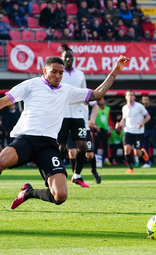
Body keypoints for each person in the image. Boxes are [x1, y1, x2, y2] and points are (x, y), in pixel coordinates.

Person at [0, 55, 129, 222]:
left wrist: (116, 69)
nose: (58, 76)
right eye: (54, 72)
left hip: (48, 145)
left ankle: (29, 192)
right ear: (45, 71)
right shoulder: (31, 85)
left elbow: (98, 94)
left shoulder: (67, 90)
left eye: (61, 73)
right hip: (27, 139)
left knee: (60, 196)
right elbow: (1, 102)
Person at [57, 43, 98, 188]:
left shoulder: (80, 74)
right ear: (62, 58)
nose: (68, 59)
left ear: (74, 59)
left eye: (70, 57)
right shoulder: (58, 73)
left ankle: (77, 175)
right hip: (62, 115)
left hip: (78, 116)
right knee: (61, 147)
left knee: (82, 146)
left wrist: (87, 100)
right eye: (66, 57)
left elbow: (84, 91)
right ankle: (58, 173)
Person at [116, 90, 150, 174]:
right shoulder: (124, 108)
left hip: (138, 132)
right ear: (125, 97)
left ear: (134, 97)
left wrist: (142, 123)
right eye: (128, 95)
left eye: (131, 95)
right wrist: (119, 124)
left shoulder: (140, 106)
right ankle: (130, 168)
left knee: (137, 153)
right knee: (127, 149)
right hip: (128, 131)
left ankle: (142, 153)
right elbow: (124, 119)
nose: (130, 97)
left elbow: (148, 116)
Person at [94, 98, 112, 165]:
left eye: (102, 100)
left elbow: (109, 118)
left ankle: (106, 159)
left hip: (105, 128)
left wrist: (110, 126)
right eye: (100, 100)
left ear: (104, 101)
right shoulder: (95, 107)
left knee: (105, 144)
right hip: (97, 129)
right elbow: (92, 117)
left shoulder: (108, 108)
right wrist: (96, 126)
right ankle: (94, 158)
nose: (101, 101)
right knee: (96, 144)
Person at [141, 95, 156, 168]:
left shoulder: (153, 108)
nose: (145, 101)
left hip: (152, 129)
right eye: (144, 99)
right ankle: (147, 163)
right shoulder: (140, 109)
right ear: (142, 101)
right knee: (145, 147)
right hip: (143, 130)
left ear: (149, 100)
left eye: (146, 99)